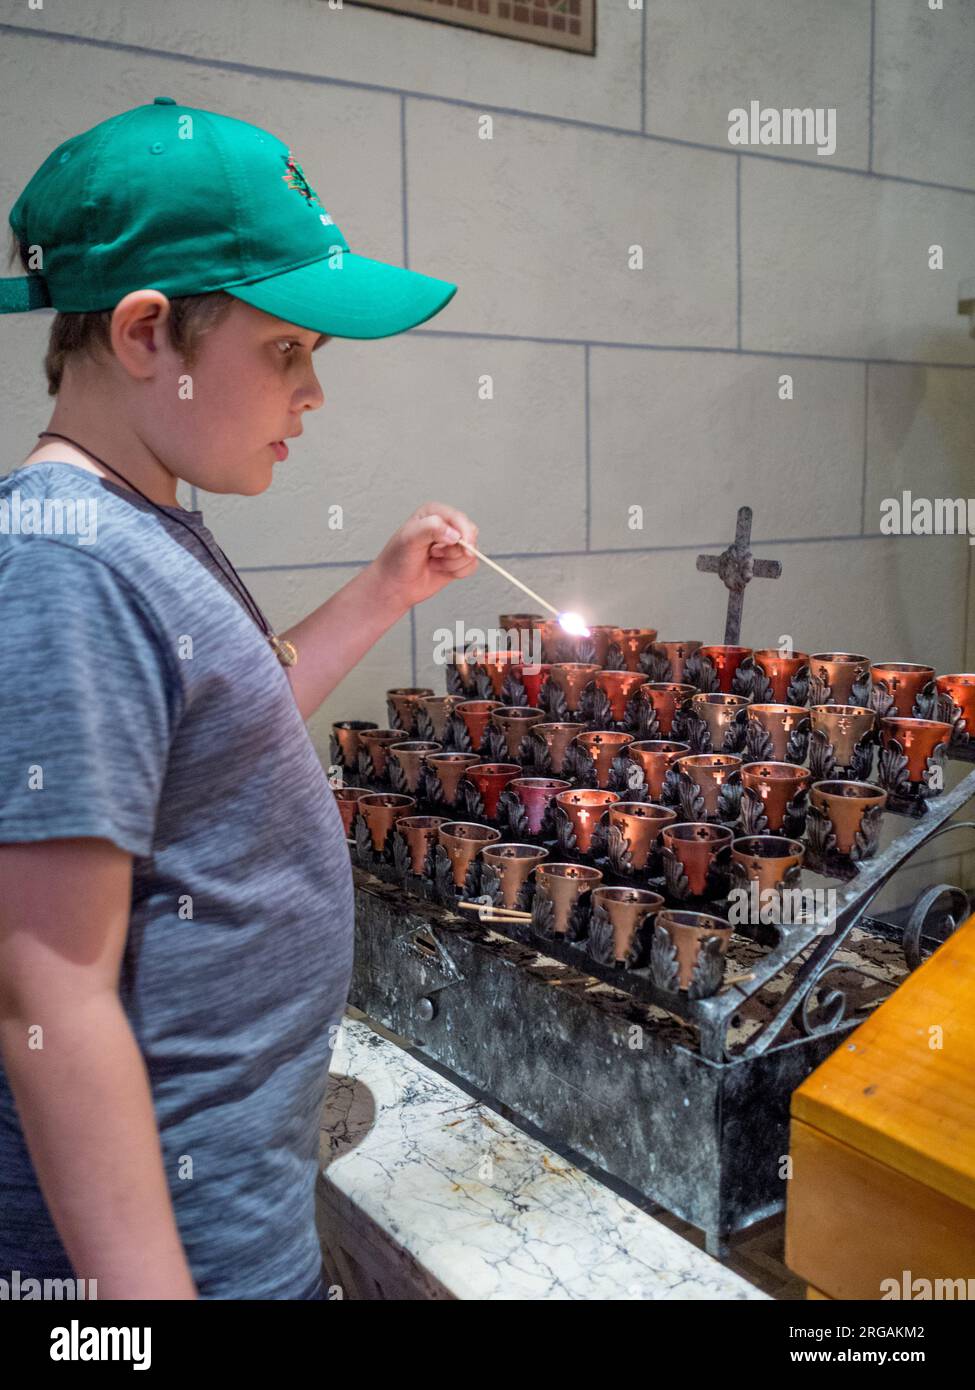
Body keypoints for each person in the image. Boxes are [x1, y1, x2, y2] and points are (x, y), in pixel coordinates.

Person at [0, 97, 477, 1300]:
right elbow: (45, 986)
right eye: (285, 351)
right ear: (148, 333)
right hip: (166, 1257)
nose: (312, 394)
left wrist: (381, 591)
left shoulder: (143, 518)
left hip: (235, 1203)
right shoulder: (69, 564)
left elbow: (228, 714)